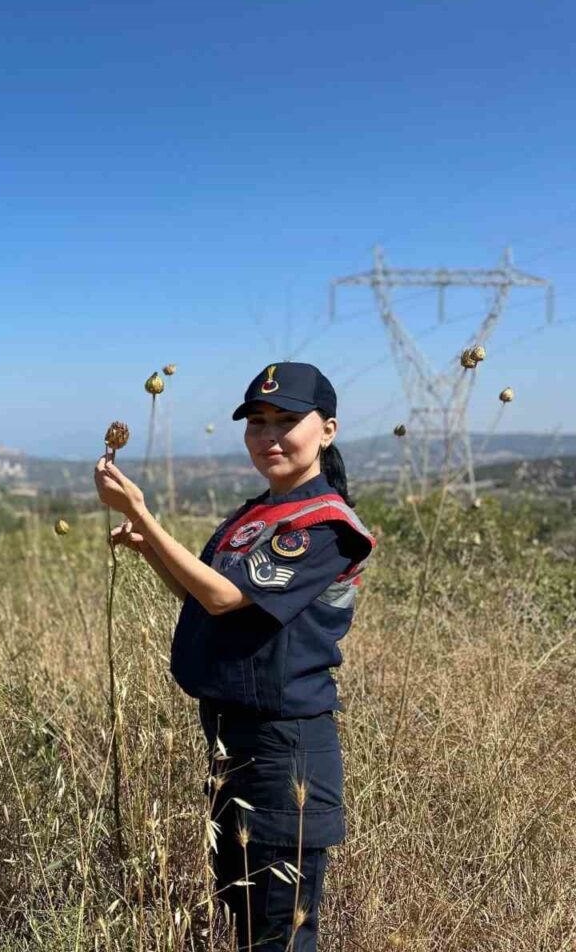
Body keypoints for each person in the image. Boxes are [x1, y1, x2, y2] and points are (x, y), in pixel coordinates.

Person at [94, 362, 375, 951]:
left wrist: (142, 513)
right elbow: (208, 599)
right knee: (244, 923)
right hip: (232, 740)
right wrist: (151, 549)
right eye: (257, 422)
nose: (269, 436)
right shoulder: (256, 514)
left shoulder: (325, 526)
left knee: (277, 932)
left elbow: (223, 597)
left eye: (287, 421)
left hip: (283, 747)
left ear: (327, 430)